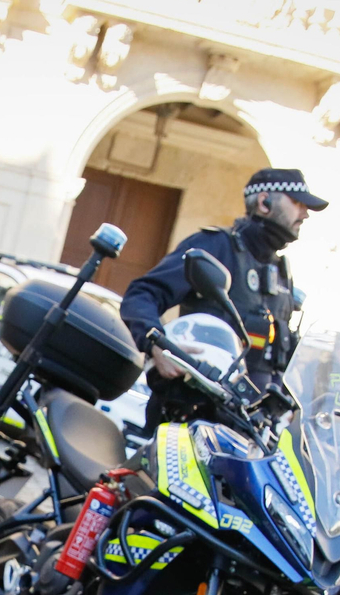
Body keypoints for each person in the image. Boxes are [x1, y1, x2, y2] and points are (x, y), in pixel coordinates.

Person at [120, 168, 327, 429]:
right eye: (298, 203)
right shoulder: (216, 246)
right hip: (192, 421)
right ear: (264, 202)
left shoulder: (280, 272)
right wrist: (156, 344)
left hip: (253, 430)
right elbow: (142, 294)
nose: (305, 213)